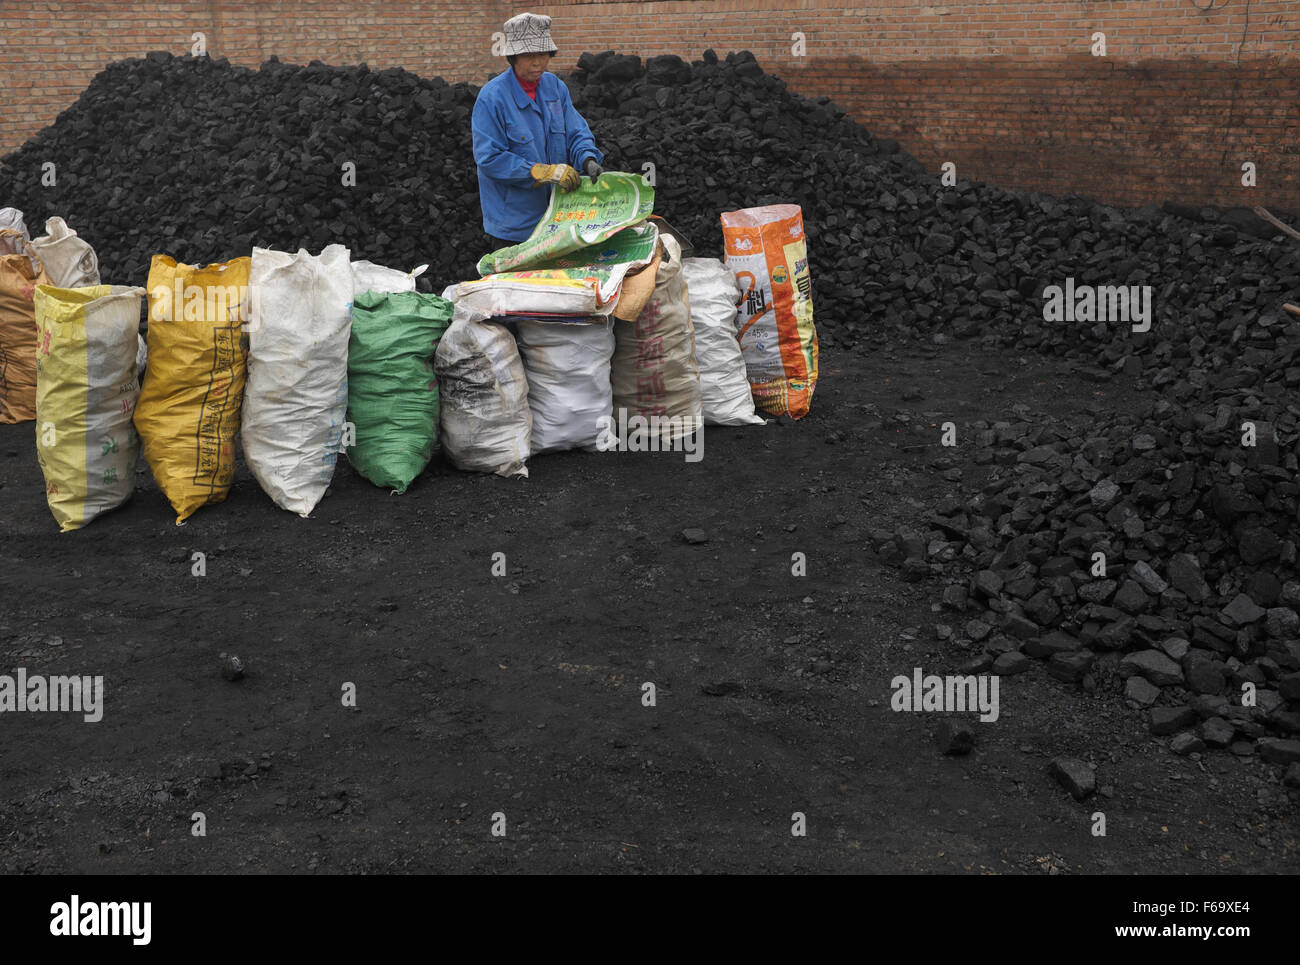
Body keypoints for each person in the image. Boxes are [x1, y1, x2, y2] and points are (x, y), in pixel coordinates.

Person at [472, 13, 605, 251]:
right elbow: (489, 158)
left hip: (557, 217)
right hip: (513, 225)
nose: (538, 63)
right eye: (529, 56)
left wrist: (587, 159)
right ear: (513, 57)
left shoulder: (555, 87)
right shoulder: (492, 98)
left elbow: (575, 132)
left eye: (543, 55)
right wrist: (540, 171)